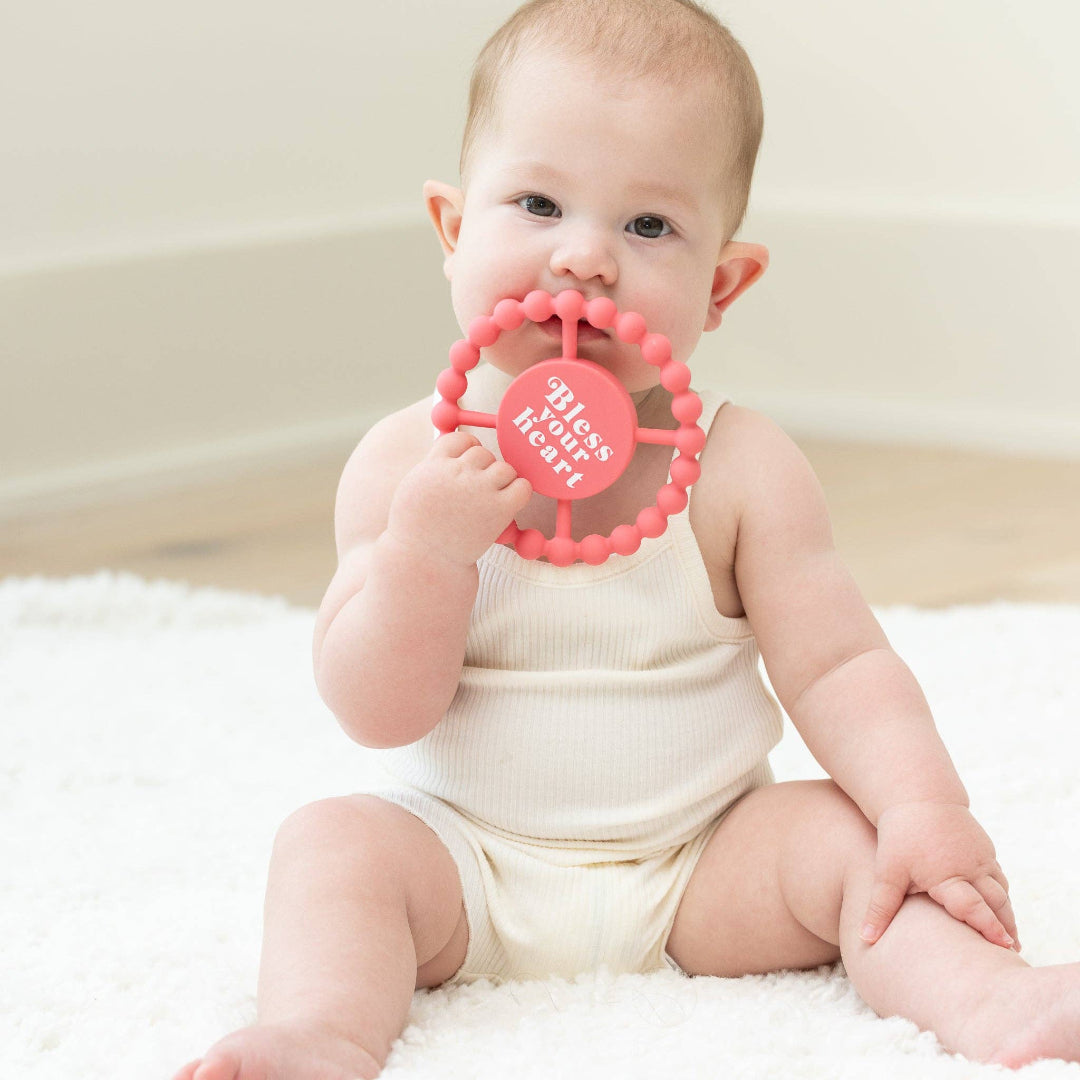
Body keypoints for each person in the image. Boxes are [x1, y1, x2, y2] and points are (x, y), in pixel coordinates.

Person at [174, 2, 1080, 1077]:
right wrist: (428, 553)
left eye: (649, 227)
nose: (587, 259)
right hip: (465, 864)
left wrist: (924, 808)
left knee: (848, 840)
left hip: (705, 861)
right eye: (540, 203)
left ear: (724, 283)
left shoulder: (741, 469)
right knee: (330, 843)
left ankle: (990, 1001)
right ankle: (322, 1031)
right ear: (456, 230)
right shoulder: (398, 465)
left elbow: (839, 663)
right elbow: (375, 712)